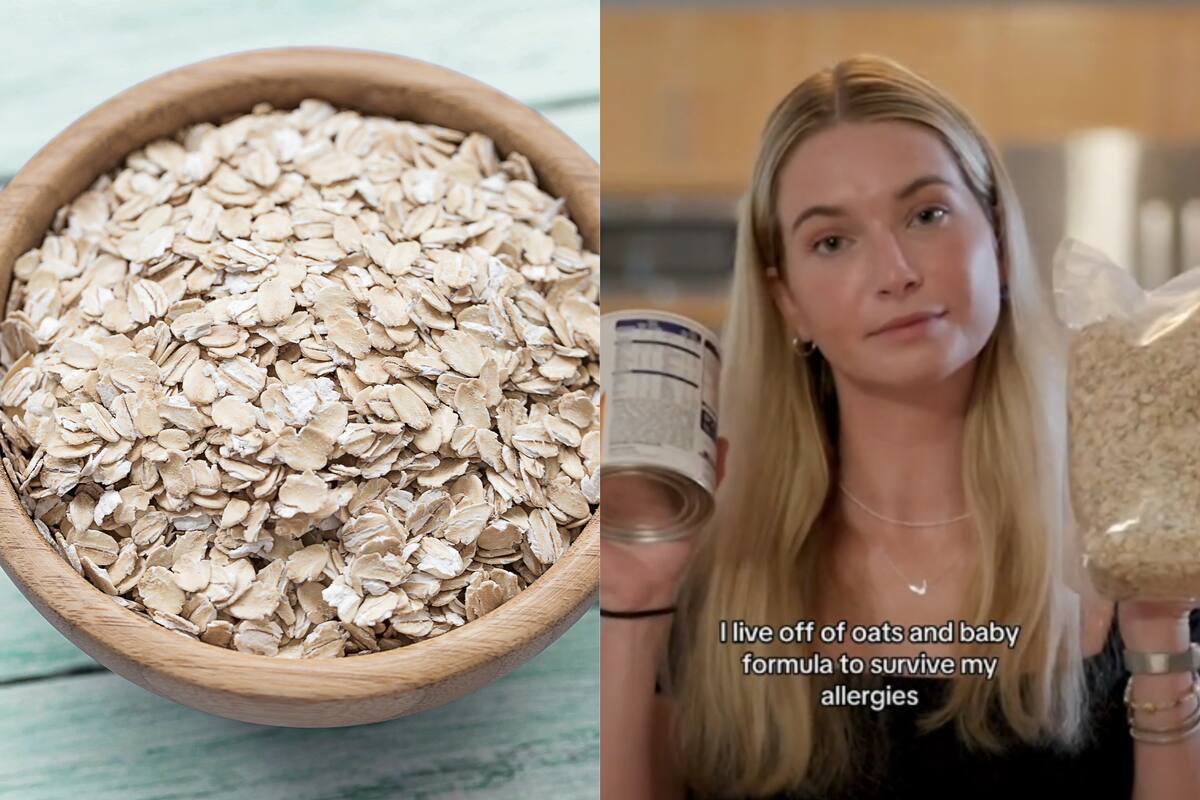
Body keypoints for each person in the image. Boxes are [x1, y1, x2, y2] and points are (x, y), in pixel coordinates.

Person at [600, 54, 1200, 800]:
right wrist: (633, 599)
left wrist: (1161, 648)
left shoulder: (1137, 544)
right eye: (832, 240)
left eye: (927, 215)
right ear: (787, 300)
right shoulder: (711, 571)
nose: (895, 271)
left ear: (1001, 245)